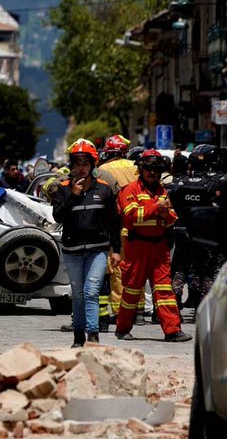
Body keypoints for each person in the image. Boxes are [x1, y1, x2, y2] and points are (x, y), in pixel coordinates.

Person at [115, 149, 191, 342]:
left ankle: (173, 330)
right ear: (141, 168)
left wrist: (166, 215)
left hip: (159, 248)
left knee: (165, 290)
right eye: (148, 169)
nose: (152, 173)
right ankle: (123, 329)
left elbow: (172, 218)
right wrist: (156, 209)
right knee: (132, 290)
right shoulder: (129, 190)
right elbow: (130, 216)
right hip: (137, 248)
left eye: (156, 169)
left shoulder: (162, 191)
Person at [52, 139, 122, 348]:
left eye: (85, 163)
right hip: (71, 250)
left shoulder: (104, 190)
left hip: (97, 250)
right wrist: (73, 196)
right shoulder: (63, 189)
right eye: (77, 163)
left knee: (92, 291)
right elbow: (57, 216)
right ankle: (78, 336)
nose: (81, 168)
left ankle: (93, 335)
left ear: (93, 165)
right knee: (79, 293)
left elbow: (113, 222)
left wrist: (116, 250)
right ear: (72, 165)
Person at [96, 135, 141, 331]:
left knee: (116, 270)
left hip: (116, 224)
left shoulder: (102, 170)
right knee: (136, 267)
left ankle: (119, 311)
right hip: (139, 222)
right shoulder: (136, 167)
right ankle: (138, 311)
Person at [169, 144, 222, 310]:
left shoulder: (179, 183)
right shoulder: (213, 183)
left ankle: (174, 300)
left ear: (189, 165)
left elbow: (172, 205)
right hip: (204, 235)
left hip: (182, 232)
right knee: (205, 269)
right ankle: (205, 305)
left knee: (180, 268)